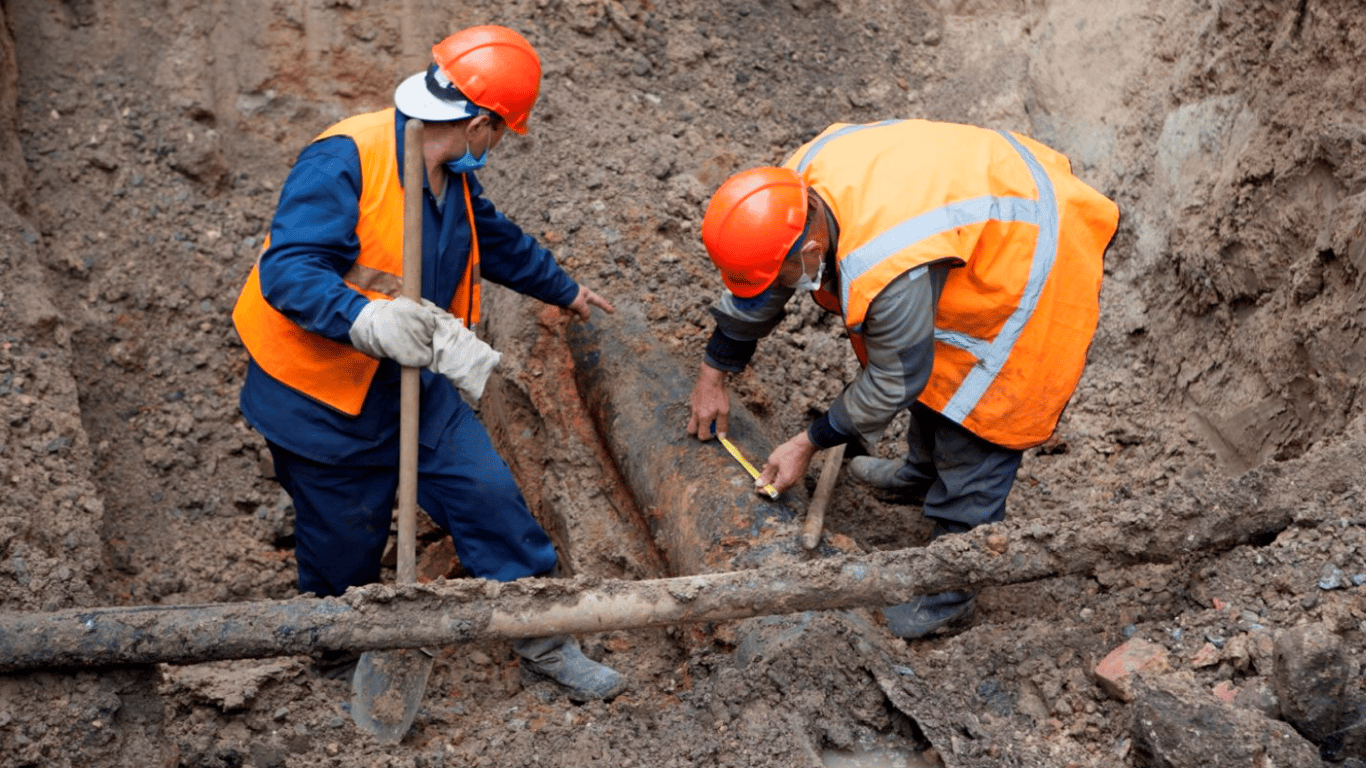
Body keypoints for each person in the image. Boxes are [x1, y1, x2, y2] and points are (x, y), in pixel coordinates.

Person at [231, 25, 626, 700]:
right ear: (478, 124)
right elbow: (289, 270)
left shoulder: (453, 179)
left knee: (488, 496)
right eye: (501, 134)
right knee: (343, 550)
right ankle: (335, 648)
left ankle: (543, 640)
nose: (497, 147)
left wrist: (562, 288)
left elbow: (492, 240)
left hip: (413, 382)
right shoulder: (347, 157)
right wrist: (365, 316)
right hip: (319, 399)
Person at [687, 119, 1118, 639]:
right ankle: (922, 472)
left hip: (1032, 247)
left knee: (980, 411)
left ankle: (950, 589)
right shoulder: (787, 195)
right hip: (973, 206)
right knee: (923, 351)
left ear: (809, 253)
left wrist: (810, 441)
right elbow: (760, 290)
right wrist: (715, 372)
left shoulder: (888, 265)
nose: (779, 288)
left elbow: (897, 379)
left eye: (784, 276)